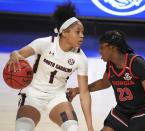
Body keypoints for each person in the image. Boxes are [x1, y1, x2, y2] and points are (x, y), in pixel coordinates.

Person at [6, 2, 94, 131]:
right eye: (78, 32)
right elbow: (18, 54)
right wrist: (14, 54)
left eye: (83, 32)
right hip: (33, 93)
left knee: (73, 128)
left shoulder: (81, 58)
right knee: (22, 128)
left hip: (57, 96)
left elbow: (84, 93)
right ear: (64, 32)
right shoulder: (45, 43)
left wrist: (90, 128)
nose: (82, 35)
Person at [68, 30, 145, 131]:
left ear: (112, 48)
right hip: (123, 110)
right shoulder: (110, 65)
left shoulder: (135, 63)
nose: (99, 51)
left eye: (102, 47)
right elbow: (104, 83)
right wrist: (77, 90)